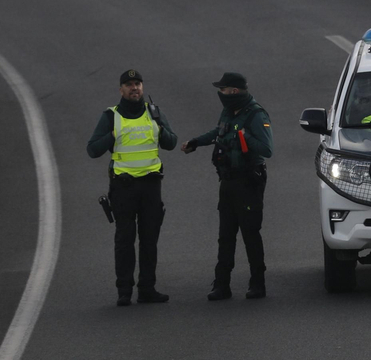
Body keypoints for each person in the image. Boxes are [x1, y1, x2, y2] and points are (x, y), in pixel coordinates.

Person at [86, 69, 177, 306]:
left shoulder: (153, 112)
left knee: (149, 240)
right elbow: (93, 149)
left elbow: (171, 142)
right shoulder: (111, 116)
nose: (134, 88)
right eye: (129, 85)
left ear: (142, 88)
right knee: (125, 240)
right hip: (123, 188)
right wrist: (114, 135)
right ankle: (124, 290)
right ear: (121, 90)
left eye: (137, 84)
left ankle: (147, 288)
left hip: (150, 186)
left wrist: (160, 126)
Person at [180, 72, 273, 300]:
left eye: (222, 90)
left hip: (248, 182)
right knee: (225, 234)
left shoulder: (256, 114)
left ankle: (257, 283)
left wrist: (245, 136)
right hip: (227, 181)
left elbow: (267, 149)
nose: (219, 93)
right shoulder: (229, 111)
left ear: (233, 91)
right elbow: (219, 131)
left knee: (250, 233)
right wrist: (196, 142)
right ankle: (222, 284)